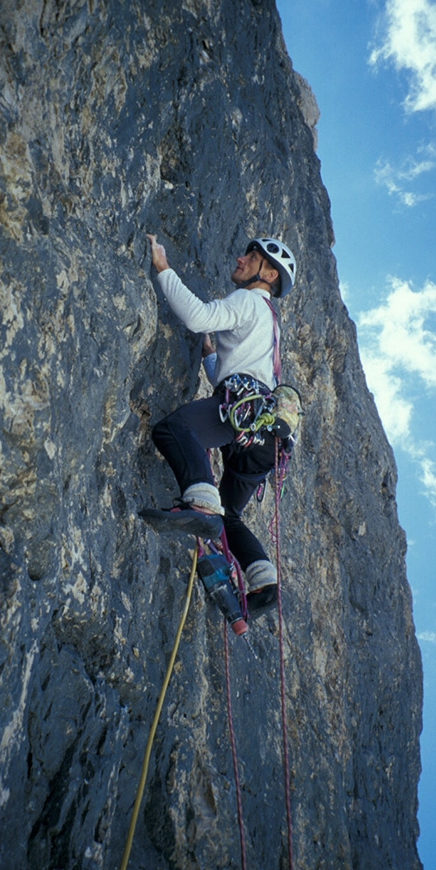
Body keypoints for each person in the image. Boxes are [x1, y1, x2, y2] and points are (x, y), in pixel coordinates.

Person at [140, 232, 297, 616]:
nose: (241, 259)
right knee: (232, 516)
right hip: (263, 438)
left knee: (174, 430)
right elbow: (239, 373)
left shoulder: (248, 299)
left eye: (252, 255)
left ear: (269, 274)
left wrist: (163, 269)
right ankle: (264, 583)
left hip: (241, 418)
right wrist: (212, 357)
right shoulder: (270, 324)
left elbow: (197, 318)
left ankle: (200, 504)